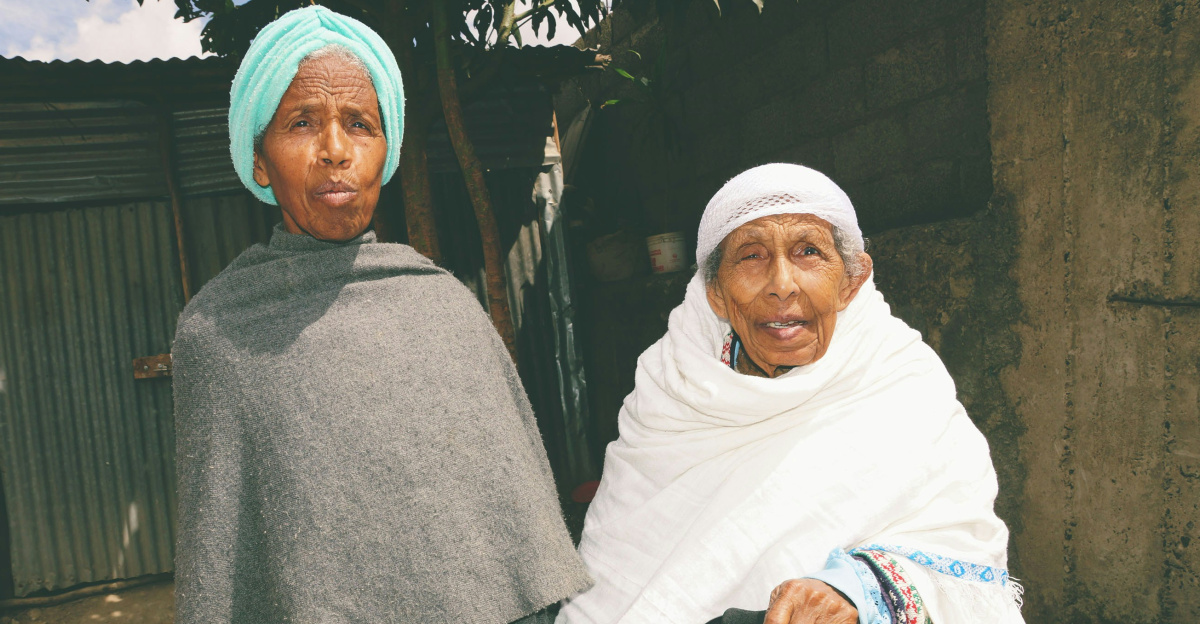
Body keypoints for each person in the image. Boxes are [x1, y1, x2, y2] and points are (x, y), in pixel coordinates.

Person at [172, 7, 589, 623]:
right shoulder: (218, 333)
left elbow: (513, 529)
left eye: (359, 124)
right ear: (259, 161)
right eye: (301, 123)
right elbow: (221, 564)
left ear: (386, 151)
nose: (334, 151)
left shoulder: (444, 306)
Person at [556, 164, 1025, 624]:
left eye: (808, 252)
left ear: (851, 280)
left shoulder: (900, 377)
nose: (782, 285)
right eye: (752, 256)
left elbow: (959, 542)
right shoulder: (670, 389)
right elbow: (618, 575)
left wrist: (855, 591)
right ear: (715, 291)